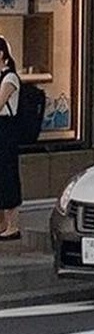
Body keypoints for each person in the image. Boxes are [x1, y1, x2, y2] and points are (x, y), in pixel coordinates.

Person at [0, 37, 21, 239]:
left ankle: (12, 224)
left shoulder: (10, 78)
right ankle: (3, 223)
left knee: (8, 173)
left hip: (6, 129)